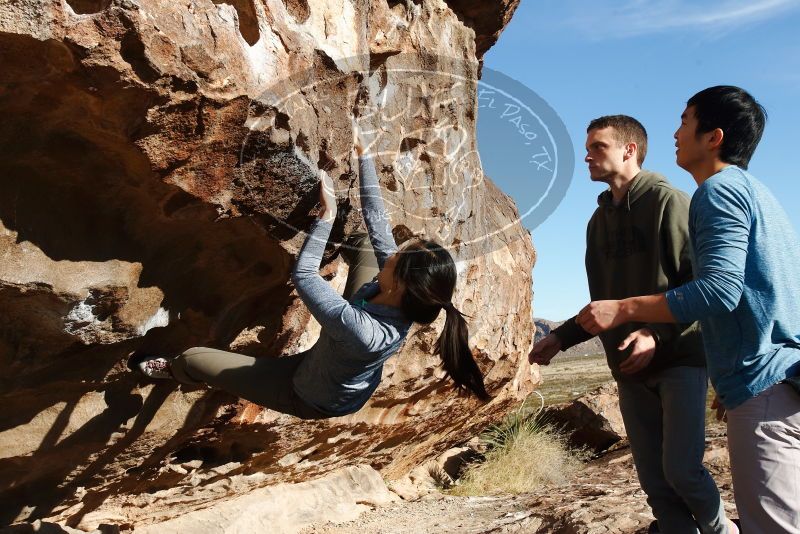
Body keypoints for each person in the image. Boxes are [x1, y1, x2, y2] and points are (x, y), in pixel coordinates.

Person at [130, 123, 490, 418]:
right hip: (332, 356)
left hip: (307, 394)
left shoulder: (364, 332)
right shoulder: (406, 296)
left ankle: (171, 371)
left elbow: (304, 277)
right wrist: (364, 156)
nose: (392, 253)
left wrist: (326, 219)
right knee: (367, 243)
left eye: (397, 258)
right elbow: (377, 223)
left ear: (399, 282)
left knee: (194, 358)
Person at [577, 86, 800, 533]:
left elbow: (719, 291)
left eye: (684, 121)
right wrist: (728, 373)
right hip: (769, 379)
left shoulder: (716, 193)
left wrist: (624, 310)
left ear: (713, 136)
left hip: (764, 384)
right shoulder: (754, 192)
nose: (675, 133)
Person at [530, 115, 734, 534]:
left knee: (682, 470)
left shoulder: (668, 202)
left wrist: (655, 334)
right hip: (626, 367)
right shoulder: (597, 221)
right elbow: (604, 302)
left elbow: (701, 286)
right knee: (654, 482)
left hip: (679, 358)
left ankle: (721, 531)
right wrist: (561, 338)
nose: (587, 155)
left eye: (598, 146)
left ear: (629, 150)